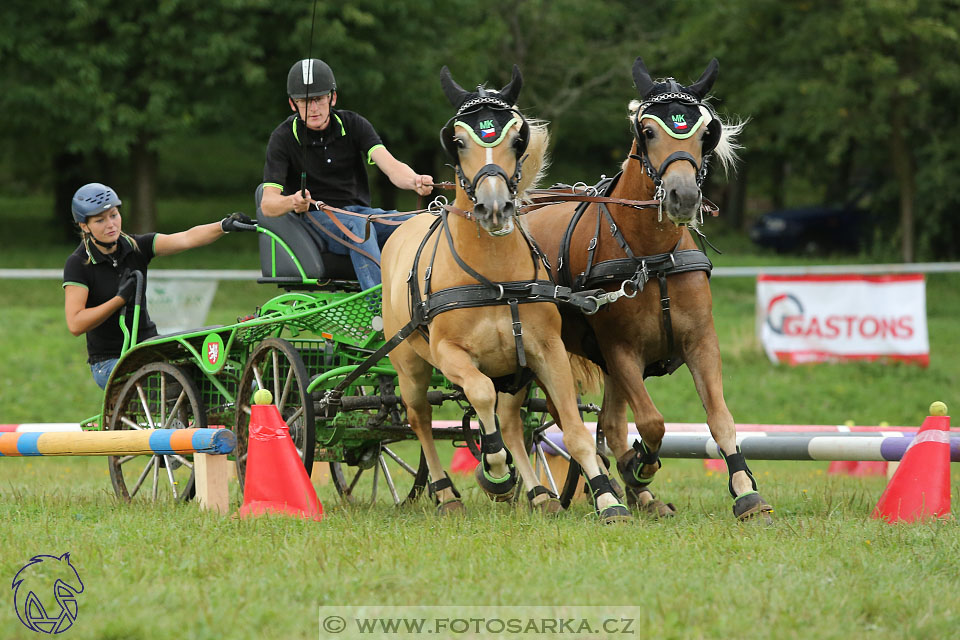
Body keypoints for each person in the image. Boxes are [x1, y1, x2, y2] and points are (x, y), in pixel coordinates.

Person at [260, 58, 433, 290]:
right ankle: (379, 308)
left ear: (333, 97)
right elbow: (268, 204)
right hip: (317, 221)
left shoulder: (354, 124)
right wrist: (293, 201)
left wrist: (414, 180)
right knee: (359, 228)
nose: (313, 109)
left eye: (319, 99)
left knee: (421, 223)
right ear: (292, 104)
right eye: (304, 101)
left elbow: (390, 166)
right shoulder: (282, 138)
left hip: (362, 214)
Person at [63, 182, 254, 389]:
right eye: (100, 220)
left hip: (150, 348)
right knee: (178, 383)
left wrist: (223, 226)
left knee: (219, 373)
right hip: (109, 361)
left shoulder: (136, 247)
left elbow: (186, 238)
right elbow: (76, 324)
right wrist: (119, 300)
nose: (111, 224)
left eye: (114, 215)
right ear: (84, 226)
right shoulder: (78, 263)